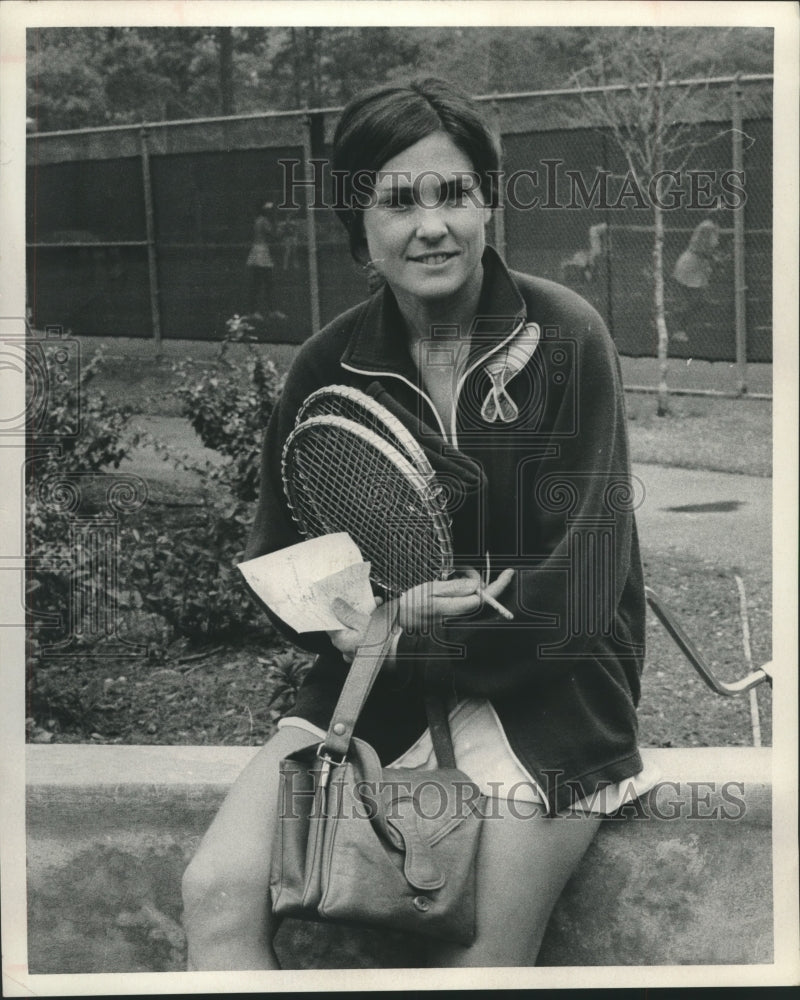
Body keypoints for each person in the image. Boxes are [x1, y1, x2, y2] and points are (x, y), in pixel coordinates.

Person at [182, 77, 653, 970]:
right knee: (214, 892)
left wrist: (415, 638)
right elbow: (287, 562)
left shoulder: (566, 338)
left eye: (453, 194)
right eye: (397, 202)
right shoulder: (327, 364)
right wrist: (361, 627)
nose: (430, 225)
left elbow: (585, 587)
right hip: (381, 688)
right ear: (358, 228)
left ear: (488, 204)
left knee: (477, 957)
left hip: (554, 695)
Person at [671, 217, 721, 343]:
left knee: (698, 301)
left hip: (698, 266)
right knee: (693, 301)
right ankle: (678, 329)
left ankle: (678, 322)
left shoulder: (714, 226)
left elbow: (708, 250)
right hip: (690, 266)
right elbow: (701, 250)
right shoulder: (707, 227)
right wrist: (715, 260)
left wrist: (714, 259)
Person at [246, 201, 275, 316]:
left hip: (259, 250)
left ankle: (268, 310)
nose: (270, 211)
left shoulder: (258, 220)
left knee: (264, 282)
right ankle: (255, 311)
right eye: (268, 209)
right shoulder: (263, 220)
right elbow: (272, 234)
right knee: (261, 282)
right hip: (261, 251)